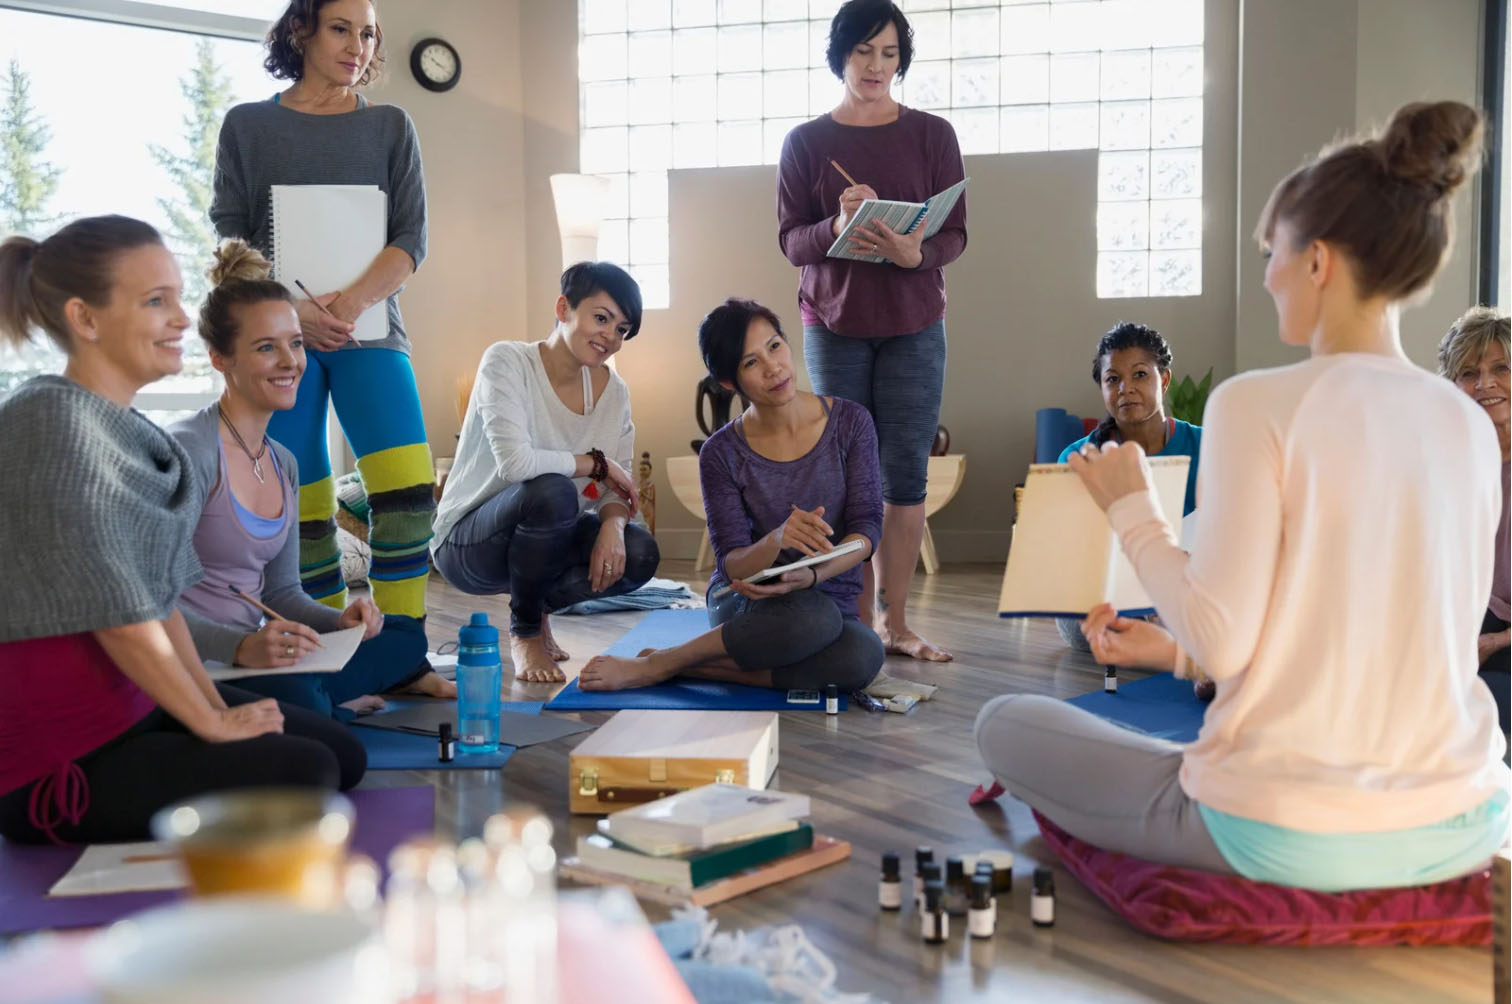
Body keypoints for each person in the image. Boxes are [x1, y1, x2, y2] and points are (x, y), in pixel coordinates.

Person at [975, 101, 1509, 892]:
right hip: (1463, 820)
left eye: (1273, 253)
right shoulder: (1466, 425)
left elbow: (1222, 642)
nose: (1267, 276)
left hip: (1290, 835)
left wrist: (1132, 508)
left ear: (1319, 261)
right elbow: (1385, 637)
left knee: (1003, 722)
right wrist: (1168, 650)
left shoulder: (1254, 404)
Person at [0, 216, 364, 845]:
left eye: (175, 297)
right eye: (155, 301)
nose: (180, 318)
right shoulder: (48, 422)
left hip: (133, 711)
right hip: (56, 759)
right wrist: (212, 723)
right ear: (85, 320)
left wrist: (219, 713)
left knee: (338, 753)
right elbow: (122, 614)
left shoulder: (127, 432)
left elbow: (161, 601)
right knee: (308, 768)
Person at [211, 0, 435, 623]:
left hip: (372, 335)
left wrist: (354, 302)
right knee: (299, 504)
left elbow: (410, 239)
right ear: (301, 31)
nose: (358, 46)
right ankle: (323, 646)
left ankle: (402, 648)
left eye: (368, 34)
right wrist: (289, 313)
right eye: (342, 29)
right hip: (277, 343)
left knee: (409, 493)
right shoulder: (247, 126)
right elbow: (229, 236)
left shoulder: (391, 125)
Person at [171, 240, 453, 720]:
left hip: (257, 660)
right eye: (266, 347)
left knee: (404, 639)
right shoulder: (187, 452)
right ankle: (319, 708)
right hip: (199, 663)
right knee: (322, 730)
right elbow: (147, 608)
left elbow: (281, 595)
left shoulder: (282, 462)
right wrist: (241, 646)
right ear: (220, 358)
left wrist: (339, 620)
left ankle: (317, 706)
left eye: (295, 343)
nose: (290, 362)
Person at [777, 0, 966, 663]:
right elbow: (790, 242)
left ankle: (898, 622)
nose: (876, 67)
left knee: (905, 474)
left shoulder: (933, 134)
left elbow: (956, 231)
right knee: (844, 478)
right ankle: (854, 619)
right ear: (840, 56)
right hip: (834, 325)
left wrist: (920, 255)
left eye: (889, 54)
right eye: (863, 52)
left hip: (916, 324)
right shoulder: (806, 143)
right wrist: (834, 225)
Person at [579, 299, 884, 694]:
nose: (773, 367)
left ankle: (694, 668)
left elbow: (867, 529)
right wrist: (777, 539)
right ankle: (660, 663)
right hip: (750, 604)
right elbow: (733, 566)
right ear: (729, 382)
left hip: (825, 595)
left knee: (863, 656)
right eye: (750, 362)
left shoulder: (852, 423)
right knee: (813, 620)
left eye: (774, 347)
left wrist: (812, 574)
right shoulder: (721, 453)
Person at [433, 262, 659, 684]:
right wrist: (595, 464)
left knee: (641, 552)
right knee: (552, 491)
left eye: (622, 330)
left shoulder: (615, 393)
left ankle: (536, 607)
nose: (610, 337)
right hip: (468, 542)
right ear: (563, 308)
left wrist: (612, 524)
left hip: (546, 537)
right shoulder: (507, 360)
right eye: (601, 318)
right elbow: (516, 464)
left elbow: (620, 481)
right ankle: (525, 633)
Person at [1055, 322, 1202, 652]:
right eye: (1113, 379)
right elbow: (1070, 555)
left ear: (1163, 380)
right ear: (1103, 389)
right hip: (1104, 593)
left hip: (1186, 582)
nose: (1125, 388)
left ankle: (1171, 635)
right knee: (1086, 626)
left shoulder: (1205, 445)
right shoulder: (1077, 457)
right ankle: (1174, 636)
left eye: (1139, 375)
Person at [1438, 305, 1511, 734]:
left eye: (1501, 367)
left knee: (1482, 708)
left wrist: (1495, 642)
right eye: (1468, 373)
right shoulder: (1451, 461)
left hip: (1499, 639)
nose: (1485, 384)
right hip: (1472, 621)